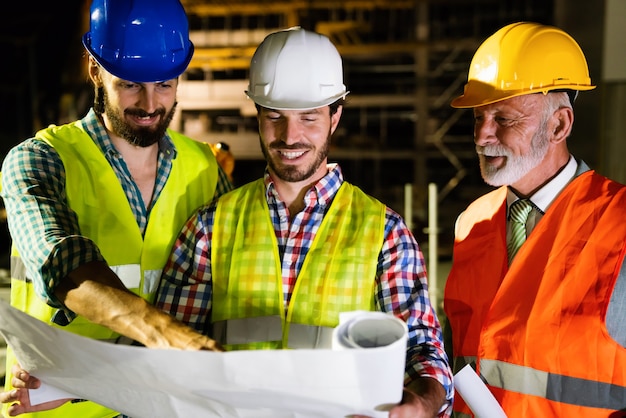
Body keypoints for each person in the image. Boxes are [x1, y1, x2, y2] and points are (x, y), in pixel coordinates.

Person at [156, 27, 453, 417]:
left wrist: (423, 402)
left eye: (308, 118)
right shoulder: (211, 227)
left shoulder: (384, 234)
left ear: (335, 117)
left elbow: (422, 350)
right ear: (258, 114)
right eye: (274, 116)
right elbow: (165, 350)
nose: (289, 136)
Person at [0, 0, 231, 416]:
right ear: (94, 69)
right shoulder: (38, 160)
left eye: (164, 84)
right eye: (130, 84)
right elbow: (64, 263)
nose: (149, 104)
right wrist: (170, 337)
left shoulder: (205, 169)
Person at [443, 21, 626, 417]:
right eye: (478, 118)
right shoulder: (471, 224)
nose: (481, 136)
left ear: (559, 124)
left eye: (503, 120)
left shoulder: (620, 225)